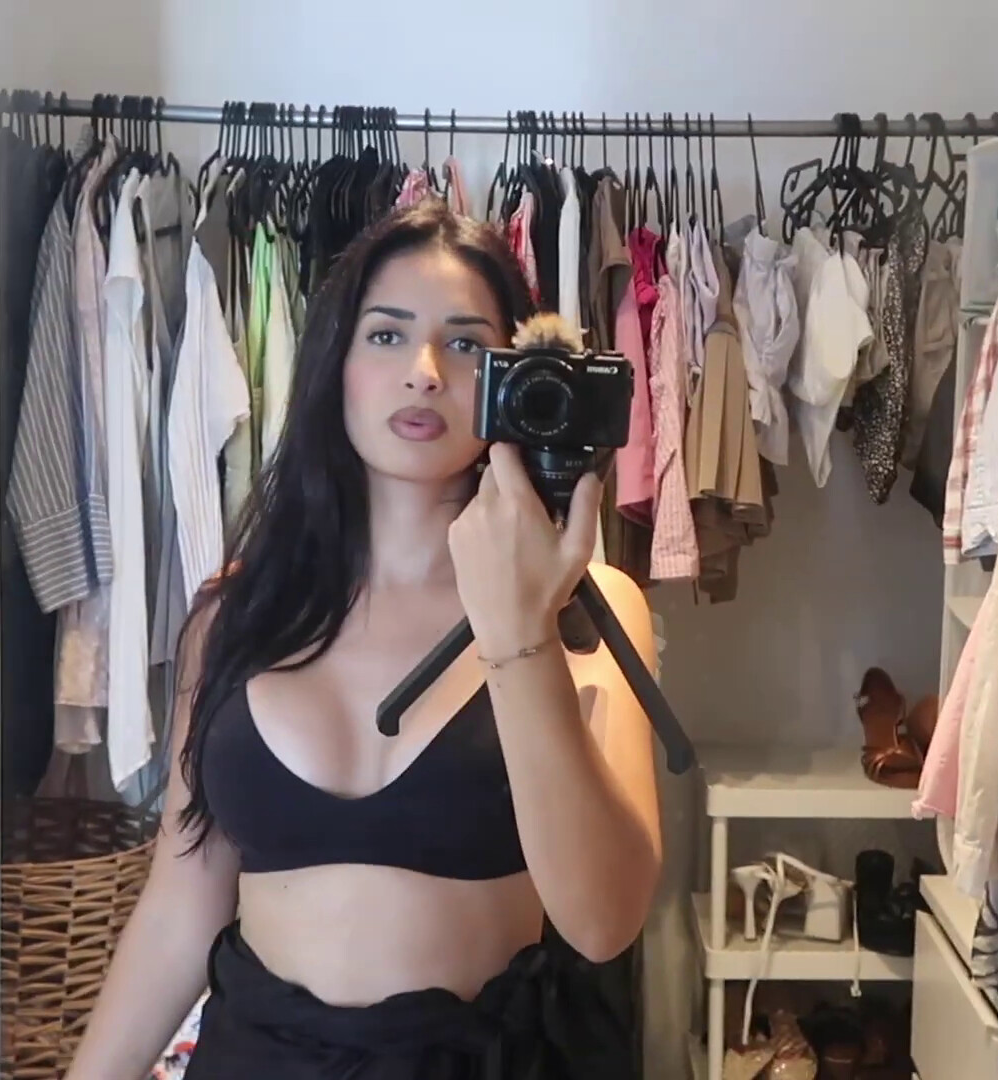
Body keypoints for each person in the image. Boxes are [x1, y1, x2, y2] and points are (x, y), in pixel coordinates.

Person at [63, 201, 664, 1079]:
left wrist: (520, 632)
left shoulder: (588, 615)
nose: (424, 373)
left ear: (510, 380)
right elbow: (181, 906)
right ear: (334, 364)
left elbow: (605, 923)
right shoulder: (234, 617)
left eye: (465, 345)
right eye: (386, 336)